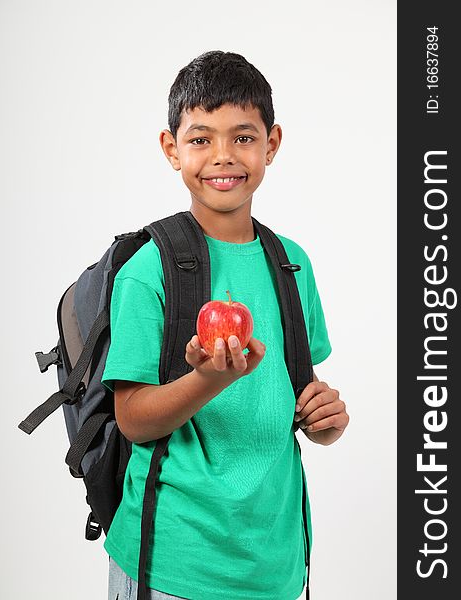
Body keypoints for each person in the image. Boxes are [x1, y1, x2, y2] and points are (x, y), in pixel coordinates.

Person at [102, 50, 349, 600]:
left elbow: (297, 393)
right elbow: (133, 420)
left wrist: (324, 419)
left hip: (277, 566)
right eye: (199, 139)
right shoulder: (149, 271)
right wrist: (208, 381)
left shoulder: (293, 264)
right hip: (175, 564)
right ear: (171, 149)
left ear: (272, 143)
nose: (222, 156)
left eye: (242, 137)